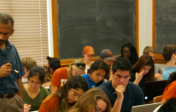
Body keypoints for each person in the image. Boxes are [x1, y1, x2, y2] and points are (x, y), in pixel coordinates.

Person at [0, 13, 25, 112]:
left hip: (14, 102)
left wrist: (21, 102)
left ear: (12, 32)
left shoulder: (13, 49)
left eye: (5, 34)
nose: (1, 37)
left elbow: (19, 78)